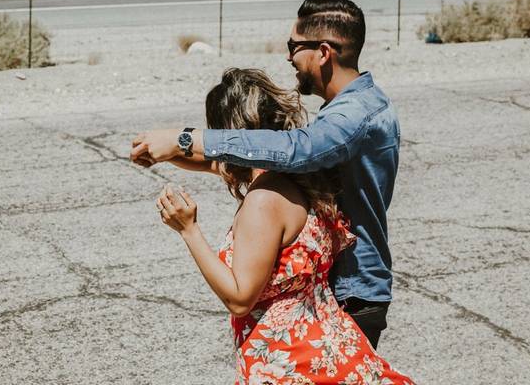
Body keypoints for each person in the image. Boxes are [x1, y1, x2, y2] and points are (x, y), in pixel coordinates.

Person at [133, 0, 399, 349]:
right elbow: (264, 163)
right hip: (350, 292)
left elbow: (296, 150)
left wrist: (187, 139)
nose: (288, 57)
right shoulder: (362, 105)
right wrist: (170, 153)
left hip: (351, 292)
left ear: (323, 52)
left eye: (293, 46)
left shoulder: (350, 118)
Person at [155, 68, 413, 384]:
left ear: (228, 134)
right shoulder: (304, 175)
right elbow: (221, 164)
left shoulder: (263, 201)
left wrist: (188, 229)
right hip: (332, 349)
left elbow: (239, 298)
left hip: (288, 361)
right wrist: (164, 152)